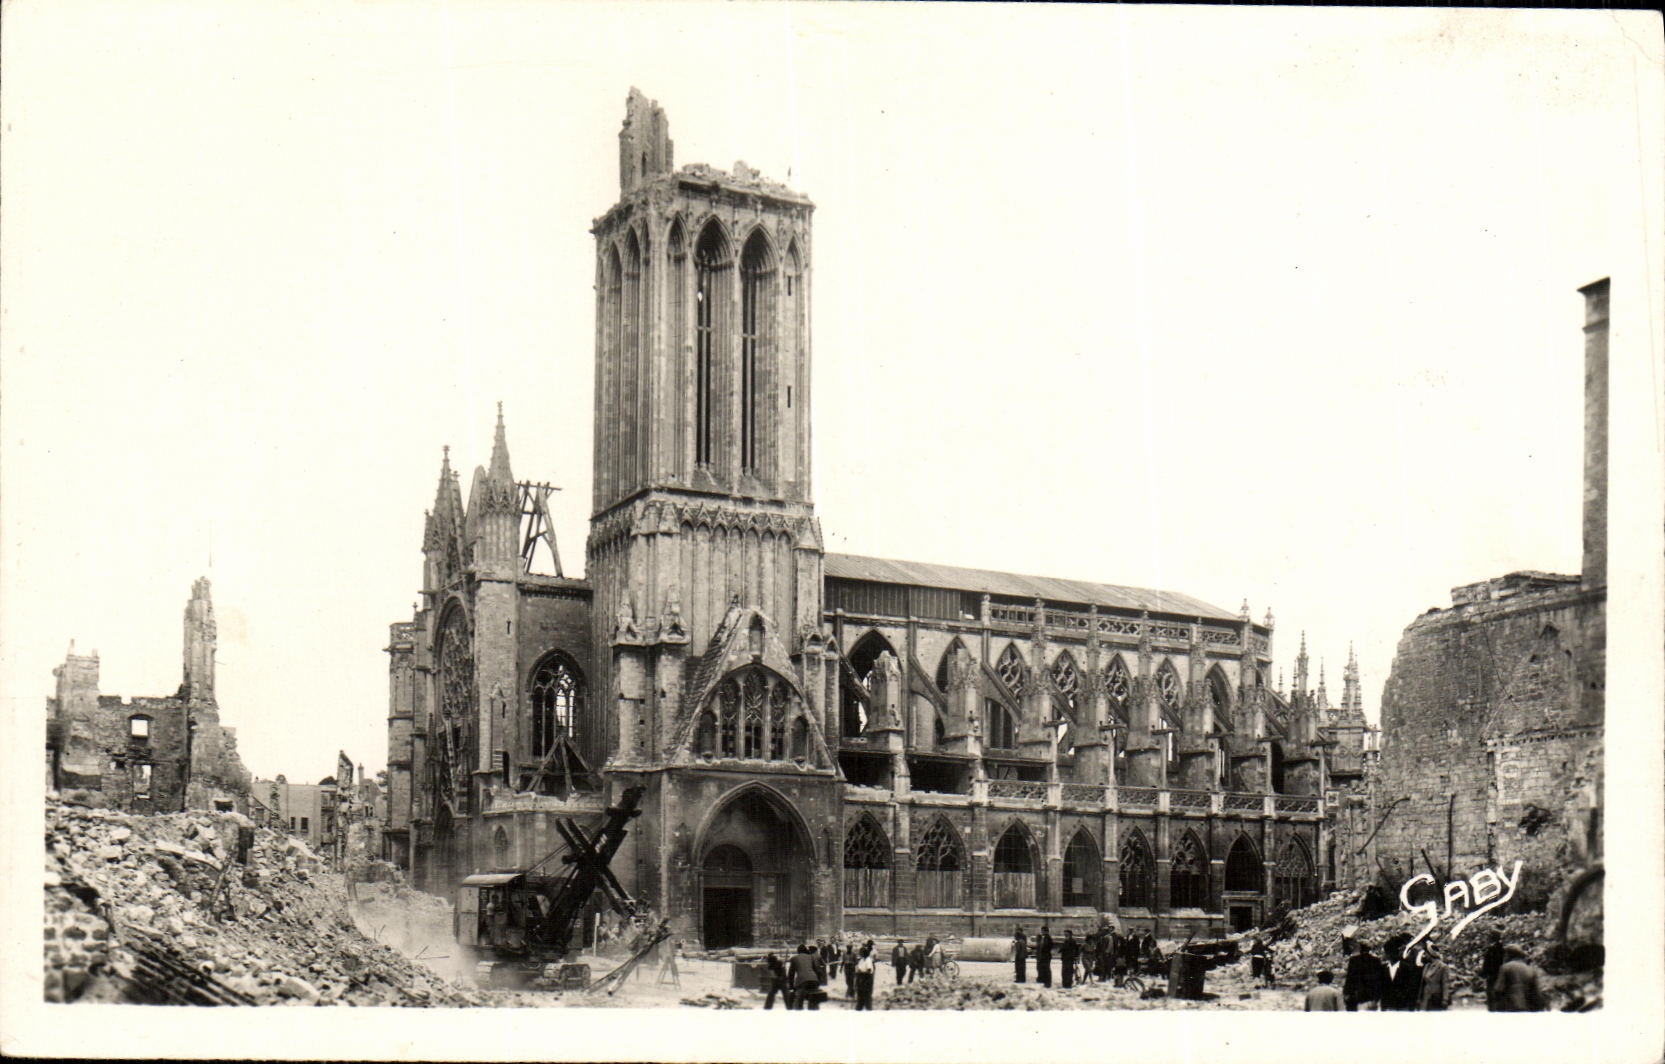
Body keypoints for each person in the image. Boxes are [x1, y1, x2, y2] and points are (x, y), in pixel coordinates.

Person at [1490, 945, 1548, 1012]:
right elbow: (1537, 994)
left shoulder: (1505, 967)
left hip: (1510, 1007)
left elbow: (1498, 989)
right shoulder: (1531, 969)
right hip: (1527, 1008)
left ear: (1509, 955)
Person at [1342, 942, 1386, 1011]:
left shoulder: (1354, 960)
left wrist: (1346, 992)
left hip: (1359, 996)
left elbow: (1350, 978)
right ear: (1369, 950)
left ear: (1360, 949)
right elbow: (1379, 979)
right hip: (1372, 995)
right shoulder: (1376, 960)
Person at [1417, 942, 1452, 1011]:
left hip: (1436, 997)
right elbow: (1423, 983)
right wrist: (1419, 997)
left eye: (1426, 953)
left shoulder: (1442, 967)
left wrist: (1445, 999)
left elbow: (1445, 984)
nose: (1424, 955)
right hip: (1426, 997)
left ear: (1431, 954)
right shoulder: (1427, 966)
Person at [788, 944, 821, 1010]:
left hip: (802, 981)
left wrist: (791, 986)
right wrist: (818, 981)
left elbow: (791, 974)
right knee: (814, 1001)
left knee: (798, 1002)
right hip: (814, 980)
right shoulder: (811, 957)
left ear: (798, 951)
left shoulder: (794, 958)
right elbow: (817, 971)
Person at [1480, 935, 1507, 1012]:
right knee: (1500, 997)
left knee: (1492, 997)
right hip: (1502, 975)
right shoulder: (1503, 949)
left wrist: (1484, 974)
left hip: (1492, 976)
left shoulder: (1491, 950)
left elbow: (1487, 964)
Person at [854, 941, 877, 1011]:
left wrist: (862, 972)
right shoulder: (861, 960)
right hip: (860, 978)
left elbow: (869, 970)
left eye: (861, 953)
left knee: (867, 995)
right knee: (860, 994)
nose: (860, 954)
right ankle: (860, 1007)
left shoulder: (868, 960)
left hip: (866, 978)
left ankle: (868, 1008)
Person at [1035, 924, 1054, 988]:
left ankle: (1047, 982)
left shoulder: (1048, 938)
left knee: (1046, 969)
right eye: (1042, 931)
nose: (1042, 932)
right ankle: (1044, 981)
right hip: (1043, 956)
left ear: (1046, 931)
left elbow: (1047, 947)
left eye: (1043, 931)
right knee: (1043, 969)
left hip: (1046, 956)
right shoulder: (1043, 938)